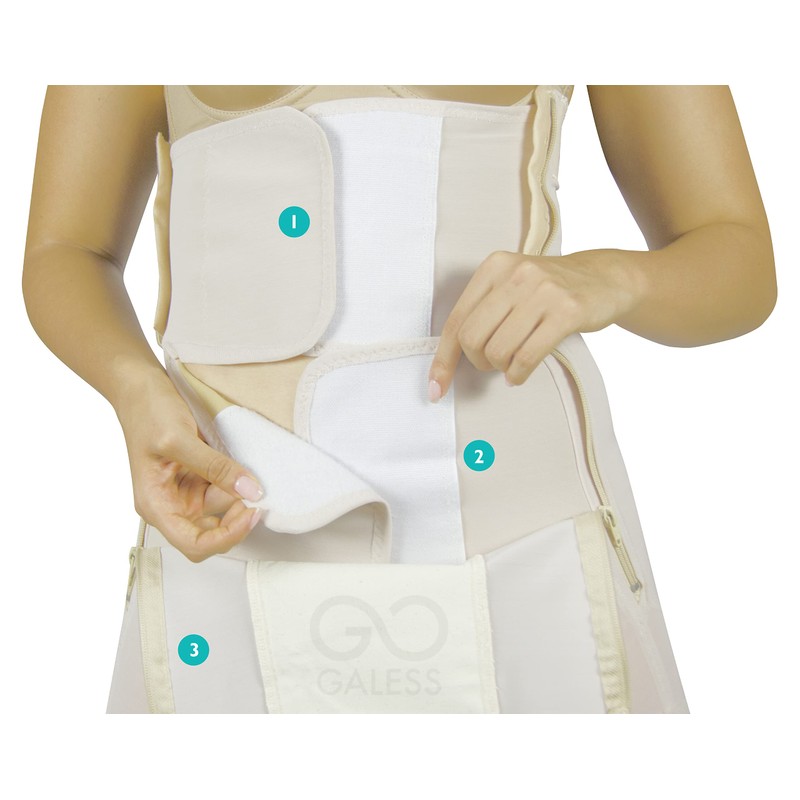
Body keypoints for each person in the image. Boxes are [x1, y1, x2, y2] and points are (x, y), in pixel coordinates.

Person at [22, 85, 776, 713]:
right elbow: (66, 248)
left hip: (527, 533)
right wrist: (135, 388)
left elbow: (737, 256)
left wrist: (609, 277)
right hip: (231, 518)